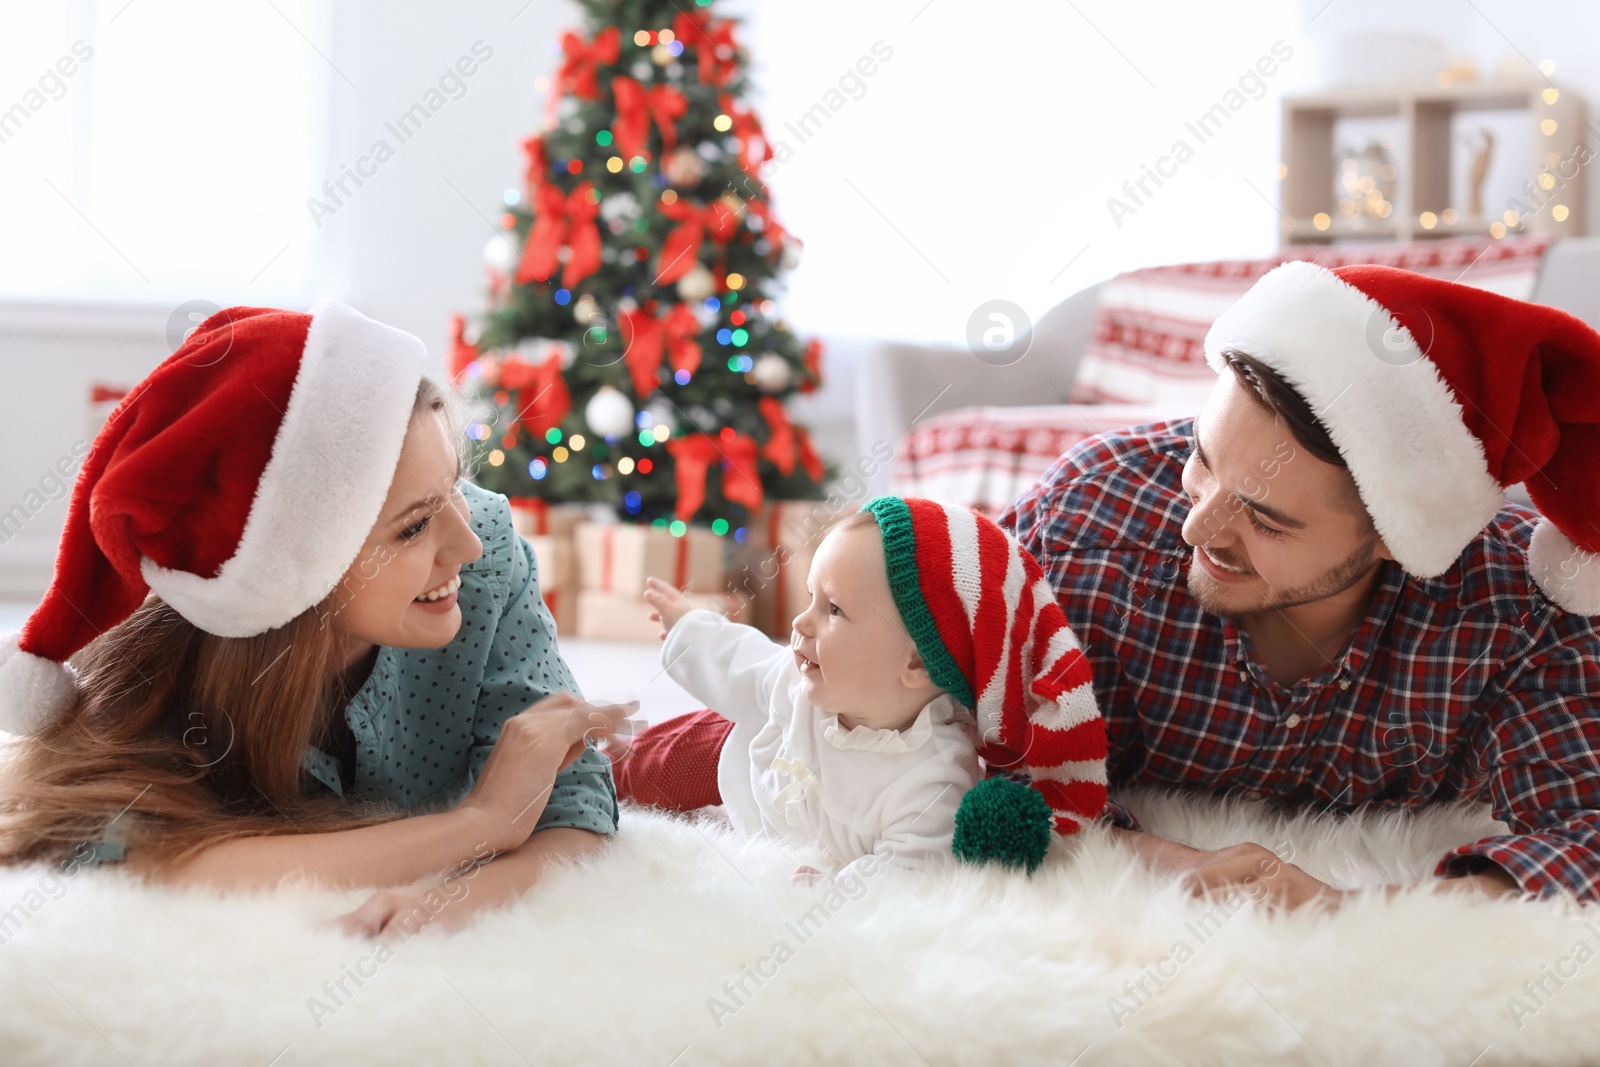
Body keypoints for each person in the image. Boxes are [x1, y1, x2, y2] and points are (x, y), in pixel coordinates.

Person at [0, 301, 634, 936]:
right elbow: (111, 851)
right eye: (414, 525)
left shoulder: (486, 548)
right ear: (292, 570)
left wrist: (446, 909)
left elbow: (575, 808)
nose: (466, 544)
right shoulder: (177, 663)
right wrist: (478, 823)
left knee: (686, 749)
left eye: (454, 489)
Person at [1004, 260, 1600, 908]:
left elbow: (1586, 833)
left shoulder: (1514, 609)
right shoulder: (1086, 526)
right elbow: (952, 747)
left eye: (1264, 518)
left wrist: (1352, 912)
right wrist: (1161, 861)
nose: (1199, 528)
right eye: (1202, 458)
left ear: (1395, 538)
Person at [606, 495, 1111, 881]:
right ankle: (602, 767)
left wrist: (836, 890)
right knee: (657, 763)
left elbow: (909, 869)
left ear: (916, 662)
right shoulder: (795, 677)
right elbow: (742, 663)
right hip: (752, 762)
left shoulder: (933, 781)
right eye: (810, 598)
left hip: (792, 824)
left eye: (834, 610)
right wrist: (690, 627)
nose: (801, 624)